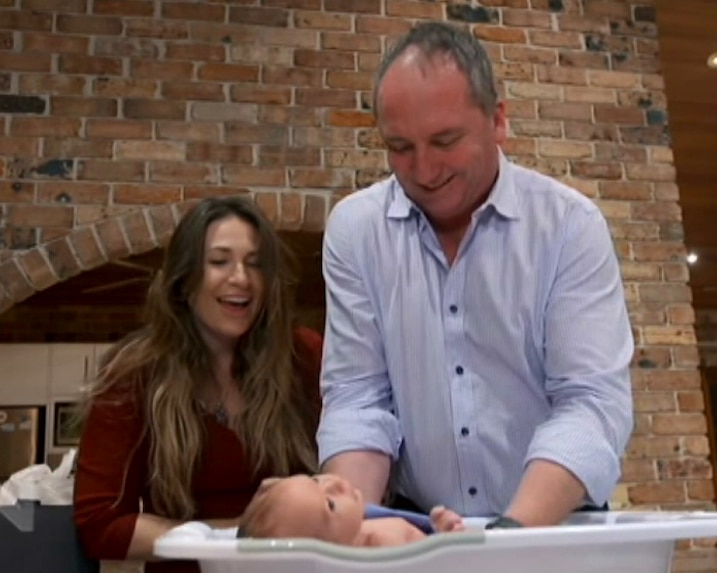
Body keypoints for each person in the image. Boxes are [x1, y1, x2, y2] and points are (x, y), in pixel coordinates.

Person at [317, 21, 634, 529]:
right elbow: (359, 399)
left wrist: (508, 542)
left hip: (551, 527)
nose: (423, 170)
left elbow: (590, 403)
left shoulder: (569, 227)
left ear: (498, 121)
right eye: (400, 147)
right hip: (415, 529)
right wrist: (349, 528)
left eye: (445, 140)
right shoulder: (355, 230)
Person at [73, 196, 324, 573]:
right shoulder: (133, 375)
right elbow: (101, 525)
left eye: (255, 263)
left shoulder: (304, 355)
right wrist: (235, 537)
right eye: (219, 261)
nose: (241, 277)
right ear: (184, 279)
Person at [236, 474, 464, 546]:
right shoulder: (375, 552)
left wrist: (442, 533)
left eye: (315, 481)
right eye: (330, 505)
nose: (333, 484)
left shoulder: (368, 524)